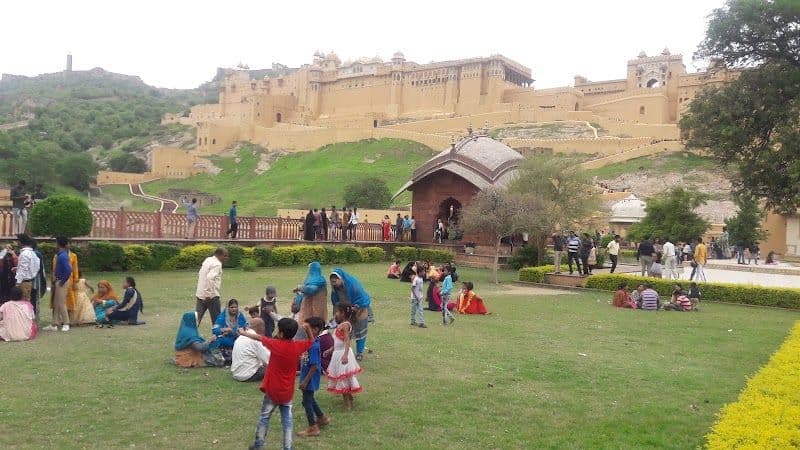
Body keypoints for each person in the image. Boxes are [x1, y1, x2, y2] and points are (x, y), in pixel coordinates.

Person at [239, 318, 315, 450]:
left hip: (272, 391)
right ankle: (287, 447)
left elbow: (259, 337)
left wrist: (244, 333)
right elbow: (311, 341)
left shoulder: (275, 344)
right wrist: (308, 329)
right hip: (287, 393)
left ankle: (258, 445)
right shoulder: (297, 347)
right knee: (287, 422)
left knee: (264, 417)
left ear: (280, 333)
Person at [325, 303, 363, 410]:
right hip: (337, 354)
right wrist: (330, 350)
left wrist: (345, 355)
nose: (335, 314)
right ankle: (349, 397)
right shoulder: (340, 324)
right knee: (342, 377)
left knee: (343, 378)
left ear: (342, 313)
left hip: (342, 354)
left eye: (337, 312)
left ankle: (347, 403)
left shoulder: (345, 325)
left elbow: (347, 341)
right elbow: (338, 341)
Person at [297, 316, 331, 437]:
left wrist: (305, 381)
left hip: (309, 378)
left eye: (308, 328)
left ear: (315, 329)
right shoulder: (311, 342)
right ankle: (322, 418)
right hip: (307, 376)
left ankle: (313, 427)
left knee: (307, 401)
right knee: (309, 399)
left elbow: (315, 366)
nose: (305, 329)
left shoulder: (314, 345)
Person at [329, 268, 371, 361]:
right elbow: (335, 303)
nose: (334, 283)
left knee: (360, 330)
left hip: (360, 309)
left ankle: (359, 352)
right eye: (332, 281)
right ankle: (342, 350)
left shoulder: (353, 285)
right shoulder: (335, 289)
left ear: (341, 279)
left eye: (335, 280)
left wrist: (355, 308)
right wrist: (336, 316)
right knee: (345, 331)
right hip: (345, 311)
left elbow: (362, 298)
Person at [43, 237, 72, 332]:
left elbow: (68, 270)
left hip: (61, 281)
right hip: (59, 281)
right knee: (56, 303)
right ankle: (54, 323)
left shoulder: (63, 256)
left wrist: (62, 281)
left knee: (61, 303)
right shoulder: (61, 255)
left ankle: (66, 323)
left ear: (58, 244)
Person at [195, 247, 228, 326]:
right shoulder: (217, 264)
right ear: (219, 255)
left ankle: (190, 336)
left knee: (196, 320)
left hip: (200, 294)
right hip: (211, 296)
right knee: (217, 321)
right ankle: (218, 337)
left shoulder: (208, 260)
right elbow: (210, 278)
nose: (226, 258)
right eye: (225, 256)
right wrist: (208, 295)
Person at [231, 317, 270, 382]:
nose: (264, 329)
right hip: (249, 375)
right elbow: (268, 360)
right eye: (264, 326)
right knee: (274, 367)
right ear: (260, 327)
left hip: (236, 374)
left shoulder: (240, 337)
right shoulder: (257, 339)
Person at [213, 299, 249, 364]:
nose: (234, 309)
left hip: (237, 339)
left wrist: (243, 330)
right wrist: (225, 329)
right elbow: (215, 330)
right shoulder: (222, 316)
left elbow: (246, 326)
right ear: (228, 308)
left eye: (235, 307)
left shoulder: (240, 315)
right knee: (218, 340)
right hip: (226, 340)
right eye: (232, 307)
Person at [298, 261, 328, 326]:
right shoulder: (321, 279)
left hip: (315, 305)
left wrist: (300, 288)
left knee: (314, 322)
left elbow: (311, 290)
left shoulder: (319, 280)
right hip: (314, 305)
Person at [14, 234, 40, 301]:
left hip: (23, 283)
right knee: (26, 302)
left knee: (22, 303)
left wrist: (17, 283)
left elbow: (23, 269)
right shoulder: (32, 253)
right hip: (29, 282)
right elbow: (36, 266)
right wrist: (18, 269)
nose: (17, 243)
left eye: (18, 241)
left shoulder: (25, 254)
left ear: (21, 242)